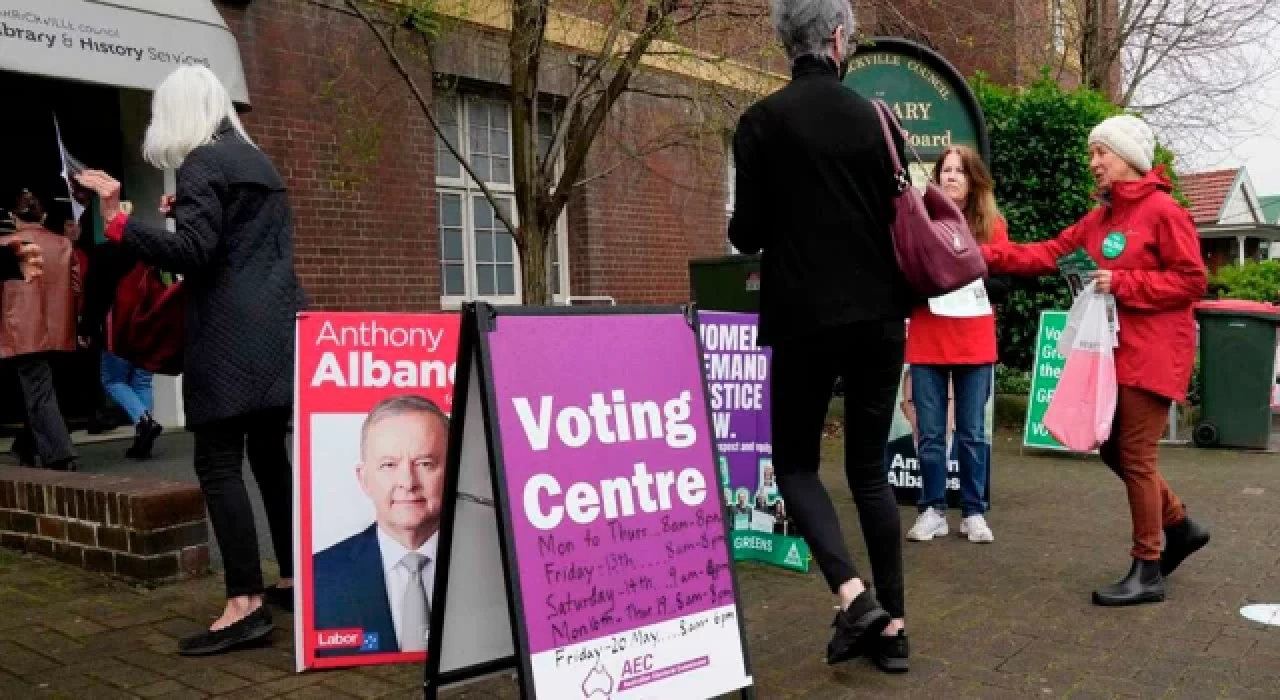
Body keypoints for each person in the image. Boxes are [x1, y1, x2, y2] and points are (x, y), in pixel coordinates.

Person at [76, 64, 306, 655]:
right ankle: (290, 579)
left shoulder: (203, 160)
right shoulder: (256, 161)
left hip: (228, 335)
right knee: (269, 458)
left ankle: (244, 605)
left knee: (219, 461)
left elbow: (196, 254)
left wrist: (121, 221)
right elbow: (243, 240)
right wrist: (189, 211)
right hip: (279, 328)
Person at [729, 0, 912, 672]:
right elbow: (902, 208)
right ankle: (893, 633)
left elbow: (746, 233)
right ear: (838, 39)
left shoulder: (760, 123)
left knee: (798, 465)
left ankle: (853, 596)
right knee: (869, 472)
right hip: (878, 317)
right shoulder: (878, 119)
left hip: (803, 318)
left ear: (788, 44)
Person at [981, 114, 1210, 606]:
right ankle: (1181, 526)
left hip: (1154, 352)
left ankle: (1148, 566)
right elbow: (1047, 254)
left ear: (1127, 156)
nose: (1093, 163)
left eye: (1100, 153)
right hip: (1115, 353)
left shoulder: (1164, 211)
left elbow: (1193, 280)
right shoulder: (1100, 218)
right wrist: (983, 254)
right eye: (1091, 154)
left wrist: (1122, 282)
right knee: (1111, 449)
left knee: (1135, 455)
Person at [905, 146, 1008, 544]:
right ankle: (931, 509)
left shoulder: (992, 227)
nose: (950, 177)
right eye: (945, 170)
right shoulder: (920, 223)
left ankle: (973, 511)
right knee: (930, 433)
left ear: (973, 181)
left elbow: (1005, 283)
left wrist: (967, 277)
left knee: (970, 432)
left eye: (959, 172)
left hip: (974, 342)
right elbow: (905, 277)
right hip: (929, 339)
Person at [313, 395, 447, 656]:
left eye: (425, 463)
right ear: (364, 479)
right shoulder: (318, 577)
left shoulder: (496, 567)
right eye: (389, 465)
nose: (408, 482)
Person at [2, 190, 81, 471]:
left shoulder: (7, 245)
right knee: (39, 387)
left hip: (21, 328)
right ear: (44, 215)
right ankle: (24, 445)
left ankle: (59, 453)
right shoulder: (63, 245)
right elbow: (76, 288)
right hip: (58, 327)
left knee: (38, 389)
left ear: (13, 216)